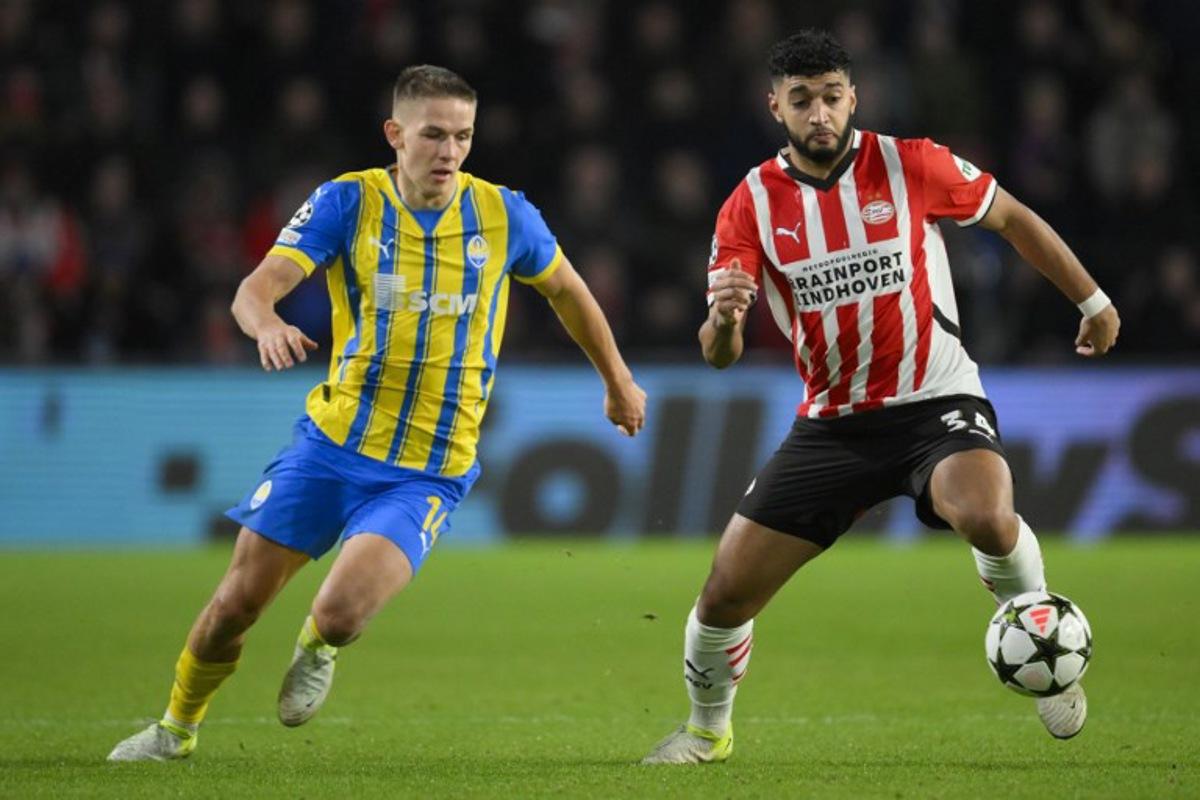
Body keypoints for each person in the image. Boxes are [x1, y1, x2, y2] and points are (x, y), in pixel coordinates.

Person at [108, 65, 646, 762]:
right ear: (395, 134)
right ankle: (175, 728)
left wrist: (617, 380)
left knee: (337, 613)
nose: (449, 152)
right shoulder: (346, 204)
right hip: (330, 446)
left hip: (427, 469)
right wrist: (266, 323)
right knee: (235, 606)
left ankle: (317, 648)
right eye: (433, 135)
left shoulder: (504, 214)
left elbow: (569, 292)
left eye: (463, 136)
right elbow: (253, 290)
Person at [642, 29, 1119, 765]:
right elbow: (718, 357)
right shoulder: (749, 205)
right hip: (833, 426)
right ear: (776, 106)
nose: (820, 113)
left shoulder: (910, 163)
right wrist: (725, 320)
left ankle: (1039, 634)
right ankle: (708, 730)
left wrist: (1090, 299)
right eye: (802, 100)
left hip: (935, 403)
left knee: (987, 516)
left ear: (853, 96)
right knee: (722, 598)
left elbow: (1013, 216)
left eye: (832, 96)